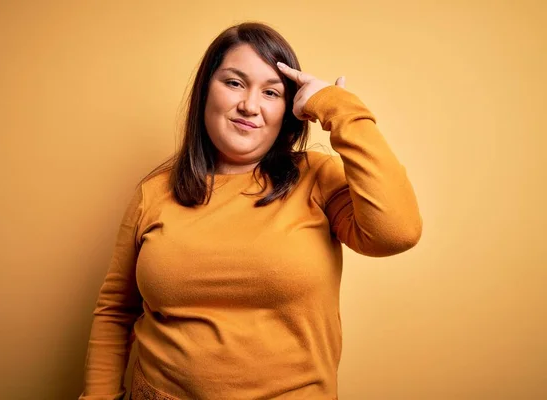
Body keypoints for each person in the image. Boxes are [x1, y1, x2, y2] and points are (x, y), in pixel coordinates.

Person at [79, 22, 422, 400]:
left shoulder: (317, 179)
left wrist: (339, 109)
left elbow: (397, 232)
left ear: (289, 110)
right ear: (205, 90)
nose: (250, 105)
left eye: (271, 92)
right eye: (234, 83)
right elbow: (115, 312)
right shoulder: (155, 193)